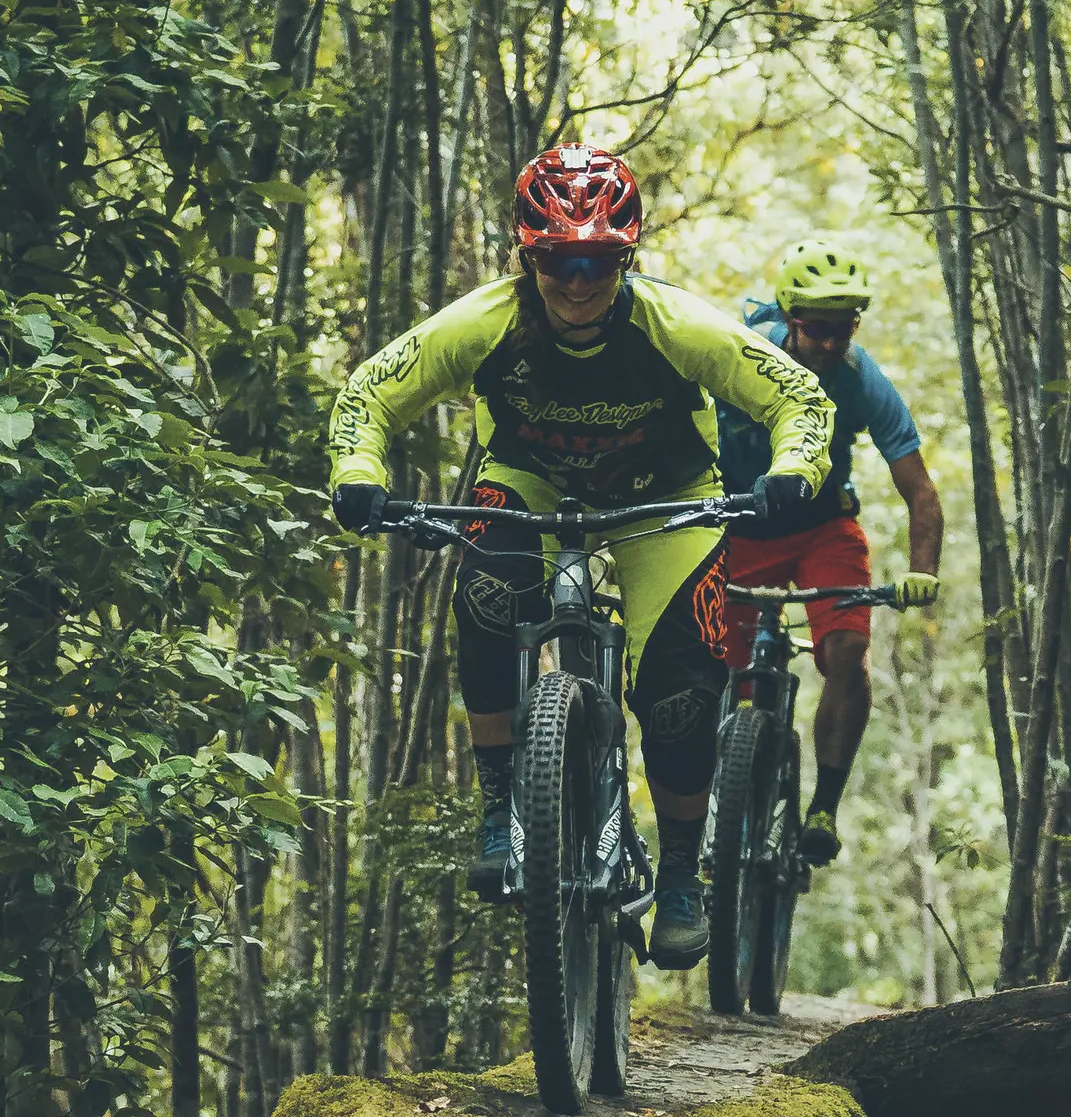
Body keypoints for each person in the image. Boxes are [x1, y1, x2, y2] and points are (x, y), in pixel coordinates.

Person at [325, 145, 835, 969]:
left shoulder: (677, 326)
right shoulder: (486, 322)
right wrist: (357, 474)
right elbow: (372, 391)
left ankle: (677, 876)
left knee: (679, 688)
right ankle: (500, 805)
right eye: (558, 260)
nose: (577, 281)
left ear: (625, 253)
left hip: (665, 496)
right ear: (529, 255)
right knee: (489, 591)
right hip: (530, 482)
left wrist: (793, 471)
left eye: (596, 260)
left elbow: (797, 395)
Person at [711, 239, 944, 865]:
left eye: (845, 328)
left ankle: (822, 807)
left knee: (846, 652)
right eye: (819, 329)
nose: (833, 342)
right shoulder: (737, 361)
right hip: (737, 531)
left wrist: (924, 572)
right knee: (714, 675)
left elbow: (919, 488)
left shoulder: (859, 376)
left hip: (823, 531)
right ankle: (721, 805)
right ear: (791, 321)